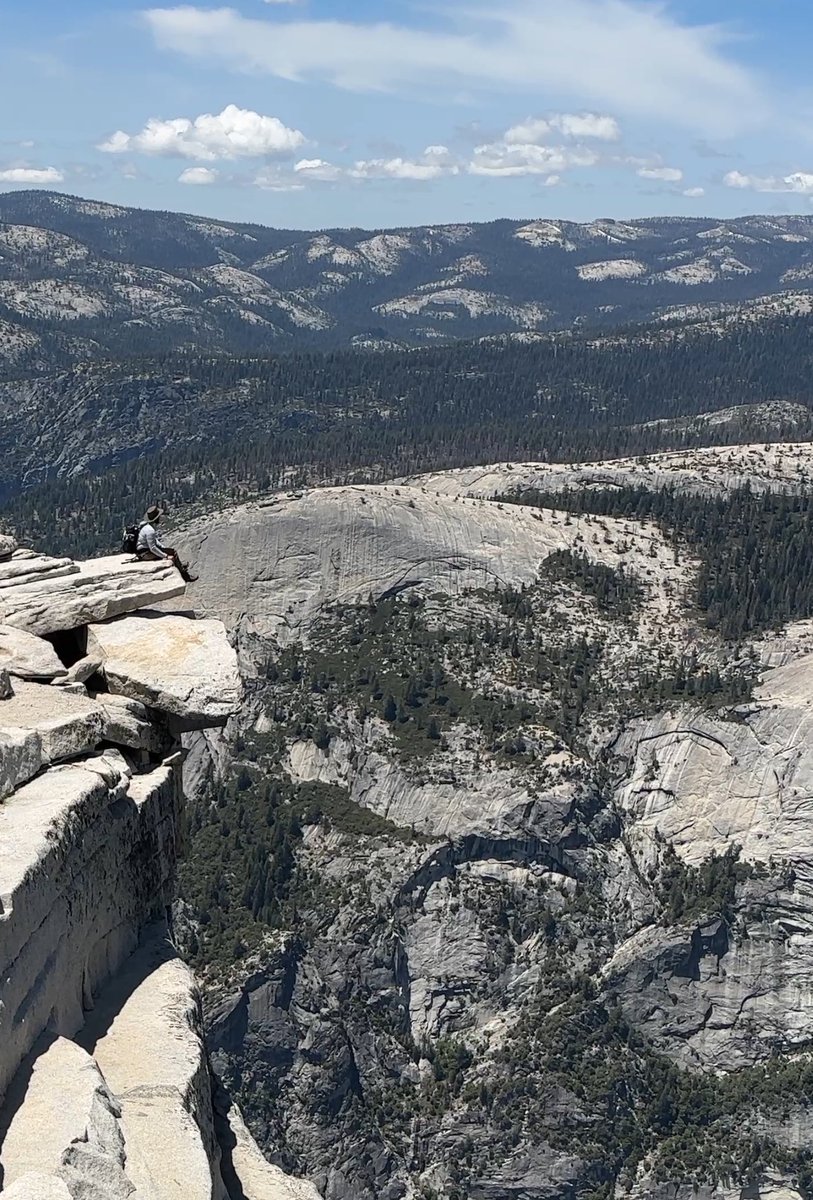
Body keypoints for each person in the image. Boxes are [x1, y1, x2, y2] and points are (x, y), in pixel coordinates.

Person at [136, 505, 198, 582]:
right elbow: (152, 548)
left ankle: (179, 565)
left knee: (170, 551)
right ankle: (185, 576)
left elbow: (155, 541)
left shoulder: (145, 526)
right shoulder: (150, 530)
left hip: (143, 552)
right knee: (173, 552)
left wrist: (164, 549)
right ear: (156, 518)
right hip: (145, 554)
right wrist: (166, 555)